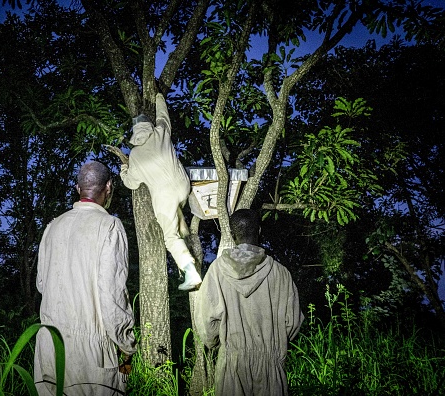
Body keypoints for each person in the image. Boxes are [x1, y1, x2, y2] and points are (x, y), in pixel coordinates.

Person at [34, 161, 137, 396]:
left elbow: (42, 284)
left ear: (77, 188)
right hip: (91, 353)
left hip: (48, 347)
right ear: (109, 187)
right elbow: (112, 295)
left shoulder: (53, 226)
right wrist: (126, 345)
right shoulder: (110, 226)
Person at [195, 208, 304, 395]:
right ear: (259, 231)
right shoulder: (280, 273)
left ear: (232, 233)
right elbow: (292, 323)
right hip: (271, 369)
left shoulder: (217, 271)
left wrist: (216, 343)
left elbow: (206, 326)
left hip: (232, 367)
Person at [119, 92, 202, 291]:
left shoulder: (136, 154)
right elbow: (163, 116)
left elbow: (131, 183)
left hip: (164, 199)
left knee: (170, 236)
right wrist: (158, 98)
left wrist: (124, 168)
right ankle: (184, 231)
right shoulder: (160, 133)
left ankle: (191, 273)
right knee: (178, 217)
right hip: (183, 186)